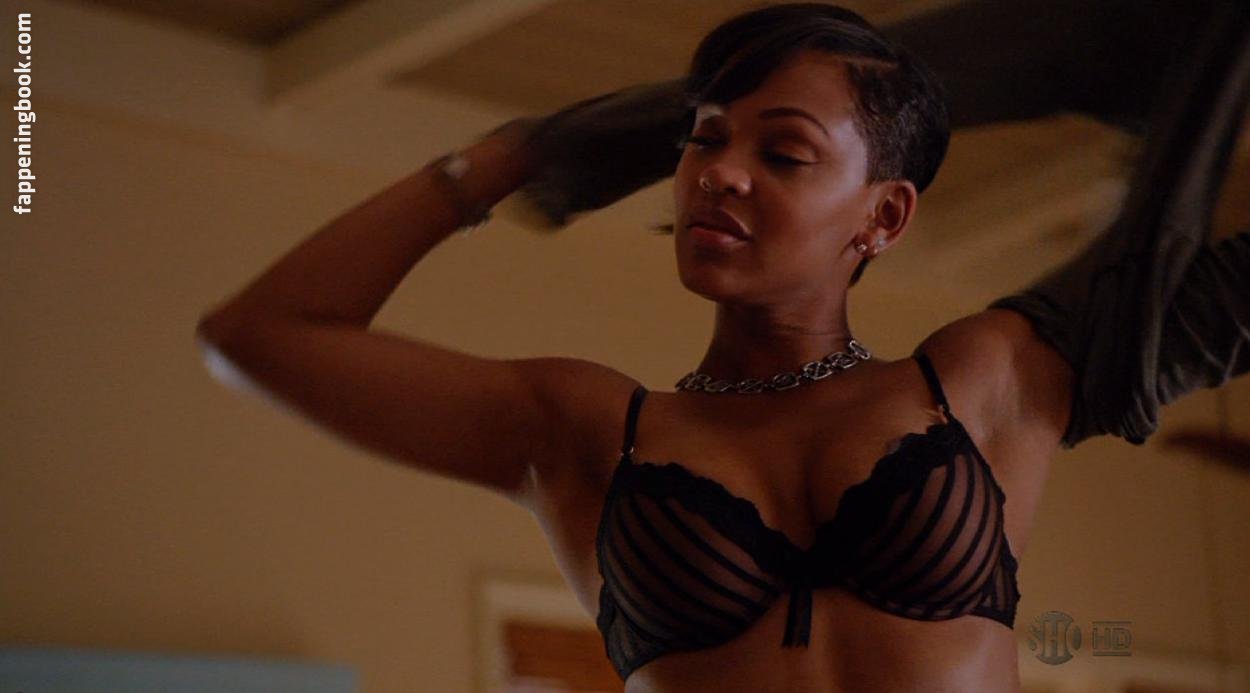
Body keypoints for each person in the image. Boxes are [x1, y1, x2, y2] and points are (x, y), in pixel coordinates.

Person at [196, 3, 1248, 691]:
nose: (718, 172)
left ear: (883, 217)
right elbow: (258, 336)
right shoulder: (584, 431)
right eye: (701, 138)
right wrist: (510, 157)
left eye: (782, 152)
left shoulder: (980, 384)